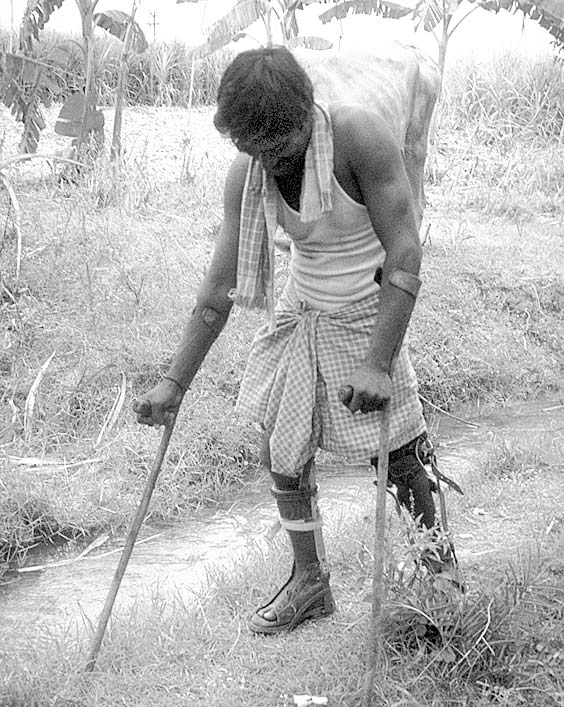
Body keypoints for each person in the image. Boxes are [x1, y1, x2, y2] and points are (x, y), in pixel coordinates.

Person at [133, 45, 456, 636]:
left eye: (279, 148)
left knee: (400, 458)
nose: (269, 165)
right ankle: (311, 584)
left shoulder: (360, 136)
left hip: (370, 307)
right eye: (253, 151)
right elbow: (219, 287)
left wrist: (378, 362)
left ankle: (440, 577)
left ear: (308, 113)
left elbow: (406, 251)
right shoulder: (250, 169)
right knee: (281, 450)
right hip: (302, 311)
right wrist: (172, 382)